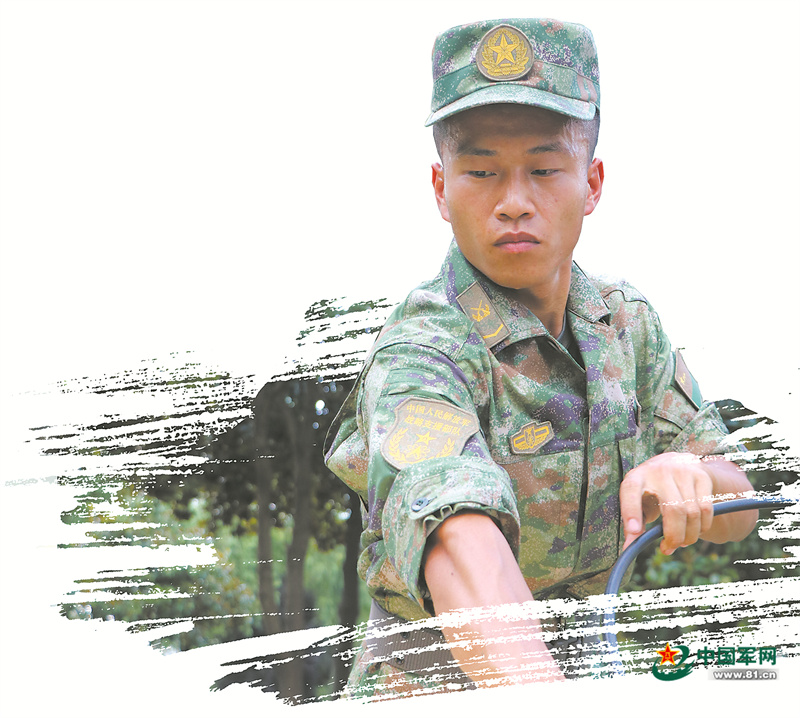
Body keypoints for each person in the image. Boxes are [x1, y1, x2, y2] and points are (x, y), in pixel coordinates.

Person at [324, 17, 756, 697]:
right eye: (481, 172)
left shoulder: (625, 324)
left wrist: (692, 478)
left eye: (545, 169)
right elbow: (458, 539)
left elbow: (743, 503)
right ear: (441, 188)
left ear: (592, 183)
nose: (514, 203)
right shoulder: (423, 349)